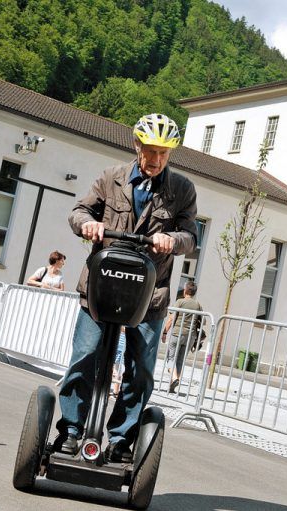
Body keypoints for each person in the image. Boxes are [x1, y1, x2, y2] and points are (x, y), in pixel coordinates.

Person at [53, 113, 197, 463]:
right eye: (150, 151)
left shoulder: (181, 189)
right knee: (84, 357)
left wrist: (171, 240)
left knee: (141, 370)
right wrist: (88, 225)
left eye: (164, 153)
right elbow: (79, 211)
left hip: (150, 296)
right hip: (101, 289)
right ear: (136, 146)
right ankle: (71, 430)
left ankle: (121, 438)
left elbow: (191, 237)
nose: (156, 159)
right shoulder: (110, 177)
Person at [162, 280, 203, 394]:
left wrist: (165, 332)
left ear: (185, 290)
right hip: (191, 336)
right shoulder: (198, 305)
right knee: (180, 360)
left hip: (177, 333)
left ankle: (175, 378)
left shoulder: (180, 302)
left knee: (171, 358)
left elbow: (171, 318)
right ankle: (172, 386)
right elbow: (202, 322)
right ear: (194, 292)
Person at [110, 327, 127, 399]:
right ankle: (114, 391)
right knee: (116, 370)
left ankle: (116, 392)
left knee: (121, 371)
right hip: (118, 345)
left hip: (124, 346)